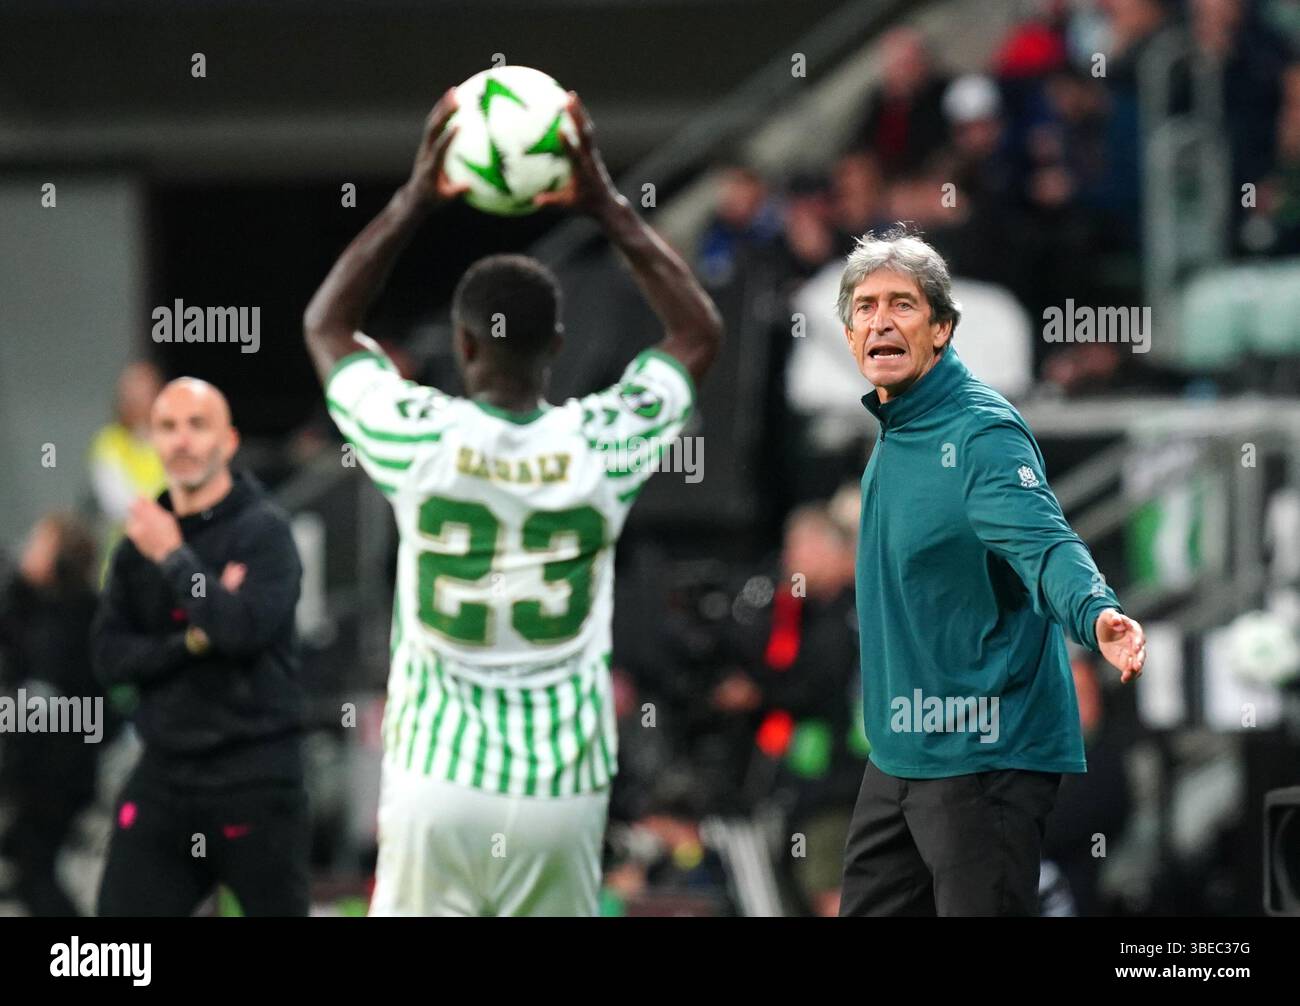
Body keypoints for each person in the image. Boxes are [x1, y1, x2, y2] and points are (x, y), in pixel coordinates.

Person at [303, 89, 722, 916]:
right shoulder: (604, 441)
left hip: (436, 780)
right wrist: (607, 204)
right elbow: (698, 334)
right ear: (558, 348)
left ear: (461, 347)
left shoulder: (415, 435)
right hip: (558, 790)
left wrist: (414, 200)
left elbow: (325, 325)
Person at [834, 226, 1146, 917]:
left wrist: (1096, 612)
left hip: (985, 754)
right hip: (903, 748)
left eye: (903, 305)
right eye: (864, 307)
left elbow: (1045, 543)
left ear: (943, 328)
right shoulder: (897, 425)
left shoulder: (979, 434)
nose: (880, 320)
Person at [92, 378, 308, 917]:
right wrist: (192, 639)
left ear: (229, 442)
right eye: (167, 427)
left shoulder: (264, 533)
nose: (182, 441)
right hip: (165, 773)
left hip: (255, 775)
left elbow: (240, 631)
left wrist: (175, 558)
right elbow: (108, 658)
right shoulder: (138, 542)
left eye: (197, 425)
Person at [0, 513, 104, 916]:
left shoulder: (76, 614)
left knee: (34, 872)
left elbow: (51, 692)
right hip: (33, 768)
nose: (27, 549)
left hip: (58, 770)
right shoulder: (29, 607)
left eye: (39, 544)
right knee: (28, 869)